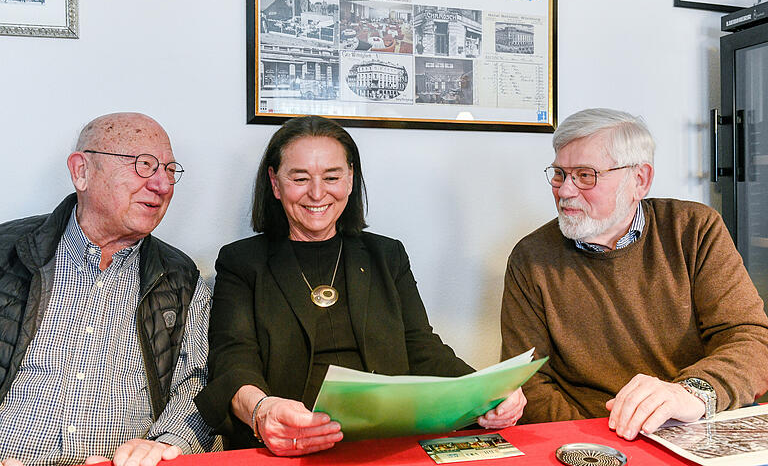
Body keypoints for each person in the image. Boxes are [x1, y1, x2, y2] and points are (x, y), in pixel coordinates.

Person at [194, 115, 526, 456]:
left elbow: (421, 347)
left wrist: (485, 393)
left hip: (387, 444)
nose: (317, 192)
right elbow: (234, 360)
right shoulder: (241, 261)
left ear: (350, 180)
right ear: (275, 184)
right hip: (292, 445)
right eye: (300, 178)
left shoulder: (387, 254)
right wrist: (263, 411)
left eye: (332, 177)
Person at [501, 108, 768, 441]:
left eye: (585, 175)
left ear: (639, 180)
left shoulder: (695, 230)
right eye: (559, 173)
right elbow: (527, 381)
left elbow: (751, 340)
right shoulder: (531, 258)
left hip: (694, 431)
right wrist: (600, 444)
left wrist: (692, 393)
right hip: (588, 443)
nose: (564, 191)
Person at [0, 113, 214, 466]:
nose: (162, 185)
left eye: (170, 170)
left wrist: (165, 445)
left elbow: (197, 384)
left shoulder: (180, 277)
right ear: (81, 171)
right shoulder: (7, 253)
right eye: (144, 166)